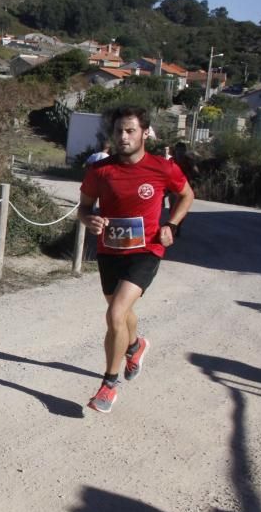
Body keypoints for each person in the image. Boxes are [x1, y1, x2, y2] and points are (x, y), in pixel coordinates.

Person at [77, 105, 194, 413]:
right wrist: (89, 221)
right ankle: (135, 346)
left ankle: (109, 385)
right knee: (120, 312)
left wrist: (172, 225)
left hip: (147, 250)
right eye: (118, 131)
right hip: (109, 250)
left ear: (145, 133)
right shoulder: (100, 171)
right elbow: (84, 208)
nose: (124, 136)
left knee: (115, 314)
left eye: (130, 130)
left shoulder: (161, 168)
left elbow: (186, 195)